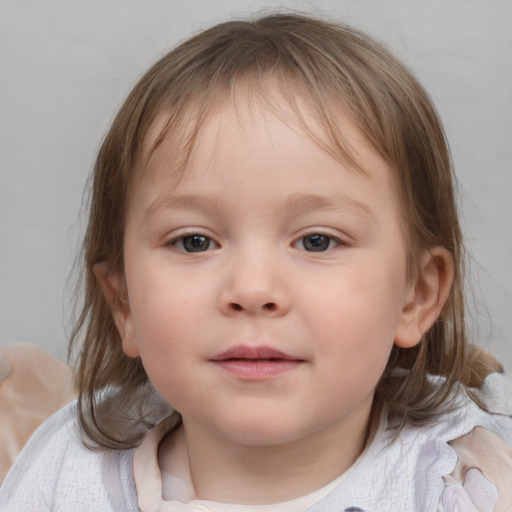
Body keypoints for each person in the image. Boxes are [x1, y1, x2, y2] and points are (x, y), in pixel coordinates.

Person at [1, 12, 511, 512]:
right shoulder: (68, 475)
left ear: (416, 296)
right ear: (124, 302)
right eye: (194, 242)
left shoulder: (468, 483)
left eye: (316, 241)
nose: (251, 288)